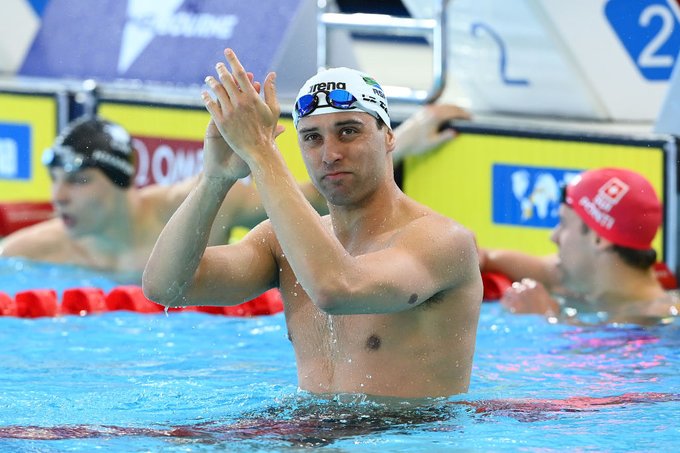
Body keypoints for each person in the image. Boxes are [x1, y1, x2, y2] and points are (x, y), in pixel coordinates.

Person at [142, 48, 483, 400]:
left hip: (403, 435)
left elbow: (336, 288)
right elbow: (167, 288)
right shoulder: (281, 244)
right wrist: (216, 178)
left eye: (348, 131)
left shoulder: (440, 241)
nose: (330, 153)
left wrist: (260, 152)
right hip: (309, 430)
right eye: (312, 137)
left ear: (389, 136)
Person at [0, 100, 469, 282]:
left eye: (79, 181)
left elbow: (309, 194)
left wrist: (400, 140)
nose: (60, 196)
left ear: (122, 182)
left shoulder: (183, 205)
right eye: (56, 181)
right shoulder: (34, 250)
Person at [479, 167, 679, 325]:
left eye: (564, 224)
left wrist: (547, 317)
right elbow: (490, 258)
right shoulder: (573, 278)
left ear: (599, 240)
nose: (554, 236)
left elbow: (600, 366)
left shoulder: (658, 319)